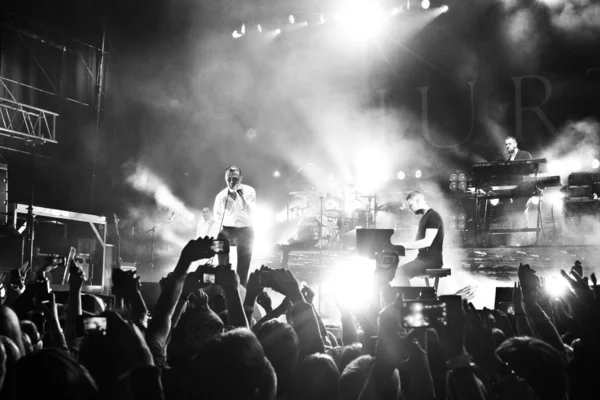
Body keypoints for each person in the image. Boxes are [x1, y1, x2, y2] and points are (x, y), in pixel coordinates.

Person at [214, 166, 256, 286]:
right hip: (229, 230)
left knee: (243, 268)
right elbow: (217, 217)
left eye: (235, 179)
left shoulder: (250, 191)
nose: (232, 182)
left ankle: (241, 286)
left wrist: (240, 196)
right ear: (225, 179)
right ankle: (223, 272)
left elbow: (250, 212)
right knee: (219, 238)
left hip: (246, 230)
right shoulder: (221, 196)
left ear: (240, 179)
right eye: (229, 179)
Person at [392, 191, 444, 286]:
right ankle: (407, 297)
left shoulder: (433, 216)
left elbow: (427, 242)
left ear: (418, 200)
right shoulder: (425, 217)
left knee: (400, 273)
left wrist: (403, 245)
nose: (410, 209)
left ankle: (407, 298)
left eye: (411, 205)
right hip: (422, 259)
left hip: (432, 262)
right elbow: (417, 244)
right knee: (398, 271)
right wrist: (400, 250)